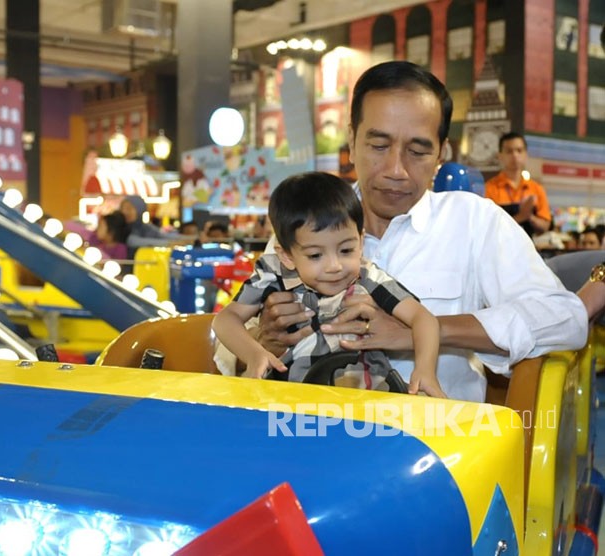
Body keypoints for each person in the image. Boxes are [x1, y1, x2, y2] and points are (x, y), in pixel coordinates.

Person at [215, 60, 587, 403]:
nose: (396, 169)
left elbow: (565, 319)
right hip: (307, 433)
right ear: (351, 141)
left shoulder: (474, 223)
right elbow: (225, 352)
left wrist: (419, 332)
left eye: (418, 151)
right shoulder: (307, 220)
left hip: (436, 449)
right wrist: (264, 340)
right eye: (378, 145)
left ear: (442, 152)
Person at [212, 172, 444, 397]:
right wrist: (254, 354)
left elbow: (423, 318)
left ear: (361, 242)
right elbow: (225, 319)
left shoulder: (368, 277)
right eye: (315, 255)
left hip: (367, 401)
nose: (335, 266)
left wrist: (424, 370)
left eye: (346, 250)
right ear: (287, 256)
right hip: (292, 401)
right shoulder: (273, 276)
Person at [484, 132, 552, 236]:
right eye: (509, 151)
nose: (515, 155)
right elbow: (488, 228)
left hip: (528, 249)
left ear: (526, 155)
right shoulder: (489, 189)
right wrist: (521, 216)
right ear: (499, 156)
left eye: (519, 150)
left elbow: (545, 226)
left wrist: (530, 217)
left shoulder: (536, 189)